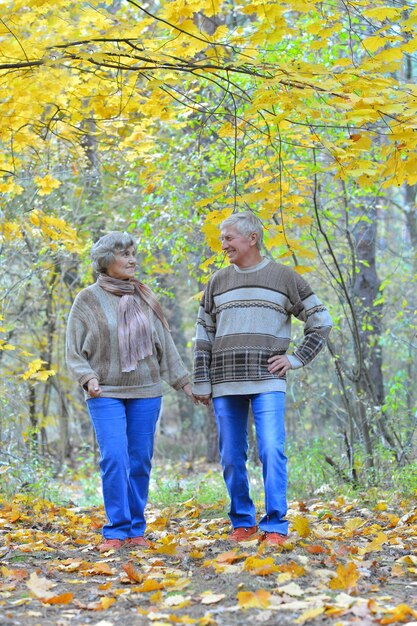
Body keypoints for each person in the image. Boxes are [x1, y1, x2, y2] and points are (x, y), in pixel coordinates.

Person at [193, 211, 332, 546]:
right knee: (230, 456)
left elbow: (321, 320)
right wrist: (201, 379)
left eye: (229, 238)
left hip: (267, 379)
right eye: (222, 238)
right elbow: (203, 334)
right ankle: (242, 521)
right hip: (225, 381)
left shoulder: (284, 277)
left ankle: (275, 525)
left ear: (252, 238)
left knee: (271, 449)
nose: (223, 244)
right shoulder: (217, 282)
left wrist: (296, 358)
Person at [66, 231, 195, 553]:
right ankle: (116, 528)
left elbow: (165, 346)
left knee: (139, 460)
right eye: (124, 254)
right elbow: (72, 350)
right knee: (114, 457)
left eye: (133, 253)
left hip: (147, 390)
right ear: (106, 261)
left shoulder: (145, 297)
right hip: (104, 391)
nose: (132, 259)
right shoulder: (87, 299)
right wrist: (87, 377)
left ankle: (136, 528)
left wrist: (185, 383)